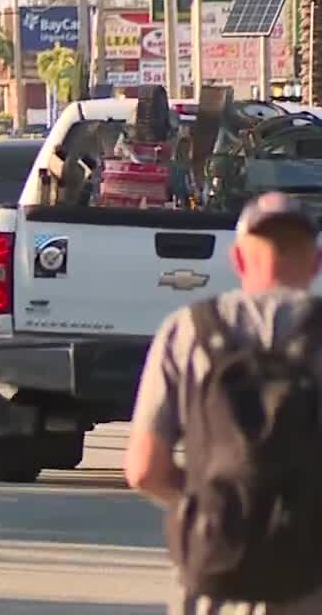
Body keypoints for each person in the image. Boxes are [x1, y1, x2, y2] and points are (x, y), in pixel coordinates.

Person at [126, 191, 322, 614]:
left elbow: (144, 469)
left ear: (237, 260)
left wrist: (214, 504)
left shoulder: (188, 331)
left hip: (214, 574)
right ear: (316, 263)